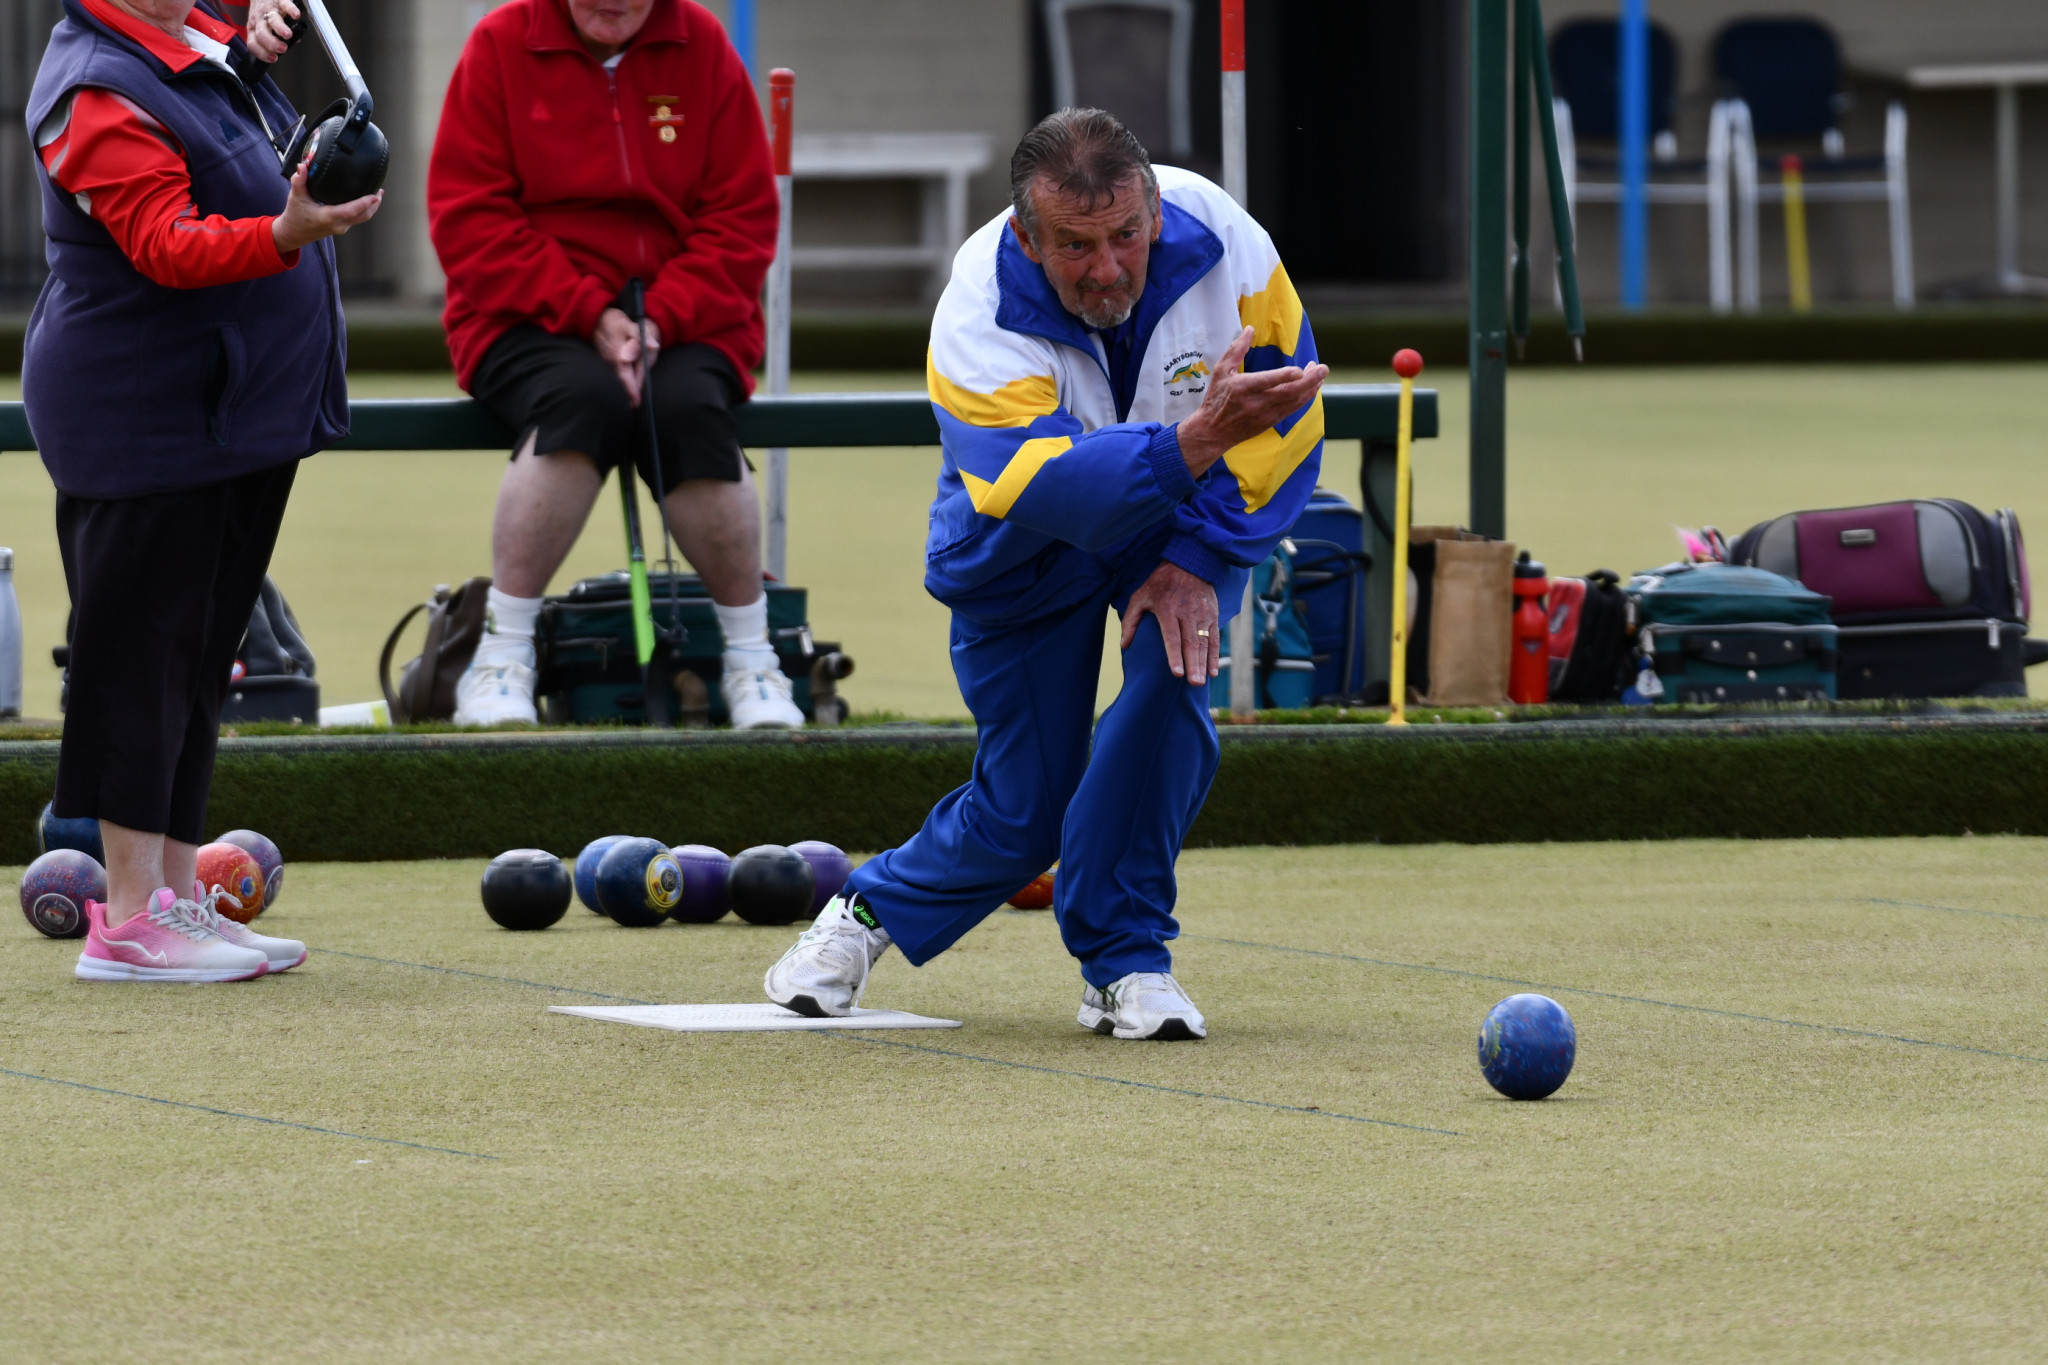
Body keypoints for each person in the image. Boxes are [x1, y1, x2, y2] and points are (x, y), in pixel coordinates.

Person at [764, 109, 1327, 1039]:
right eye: (1075, 245)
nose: (1107, 267)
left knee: (1169, 690)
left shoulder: (1228, 240)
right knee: (1026, 808)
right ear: (1028, 235)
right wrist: (1195, 440)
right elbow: (1043, 484)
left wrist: (1196, 555)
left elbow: (1292, 418)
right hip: (1025, 534)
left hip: (1188, 513)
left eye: (1125, 236)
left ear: (1152, 208)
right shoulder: (976, 305)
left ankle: (1126, 959)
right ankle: (867, 912)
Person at [25, 0, 380, 980]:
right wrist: (289, 229)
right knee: (137, 666)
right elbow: (167, 244)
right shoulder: (94, 85)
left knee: (196, 665)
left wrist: (251, 38)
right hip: (144, 415)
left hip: (230, 416)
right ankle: (130, 923)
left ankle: (179, 905)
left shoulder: (190, 41)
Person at [425, 0, 802, 730]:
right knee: (582, 398)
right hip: (524, 314)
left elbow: (742, 216)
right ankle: (502, 654)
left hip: (688, 316)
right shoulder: (498, 44)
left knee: (689, 409)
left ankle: (754, 660)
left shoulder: (705, 45)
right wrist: (588, 313)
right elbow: (469, 216)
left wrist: (660, 317)